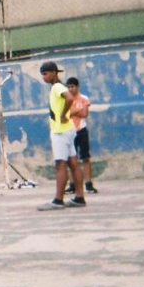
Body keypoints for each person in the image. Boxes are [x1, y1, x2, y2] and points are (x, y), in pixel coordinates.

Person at [36, 62, 86, 211]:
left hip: (60, 131)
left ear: (53, 72)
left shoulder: (57, 87)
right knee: (73, 164)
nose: (44, 77)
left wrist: (63, 114)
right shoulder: (59, 86)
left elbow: (70, 99)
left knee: (60, 165)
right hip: (69, 130)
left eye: (45, 74)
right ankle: (79, 197)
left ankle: (58, 200)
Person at [65, 77, 98, 195]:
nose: (70, 89)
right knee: (71, 160)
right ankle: (72, 184)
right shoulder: (66, 99)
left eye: (72, 86)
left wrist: (72, 112)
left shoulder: (84, 98)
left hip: (81, 130)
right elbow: (64, 114)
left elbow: (84, 113)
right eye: (68, 87)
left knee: (85, 158)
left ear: (77, 87)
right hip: (69, 131)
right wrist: (75, 111)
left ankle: (88, 184)